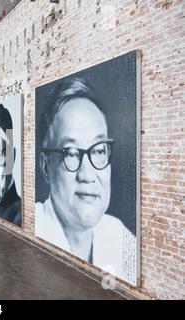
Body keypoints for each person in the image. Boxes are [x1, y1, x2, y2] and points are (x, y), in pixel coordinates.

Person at [35, 77, 135, 283]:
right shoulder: (34, 228)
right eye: (71, 153)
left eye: (99, 150)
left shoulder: (120, 238)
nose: (87, 175)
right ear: (46, 167)